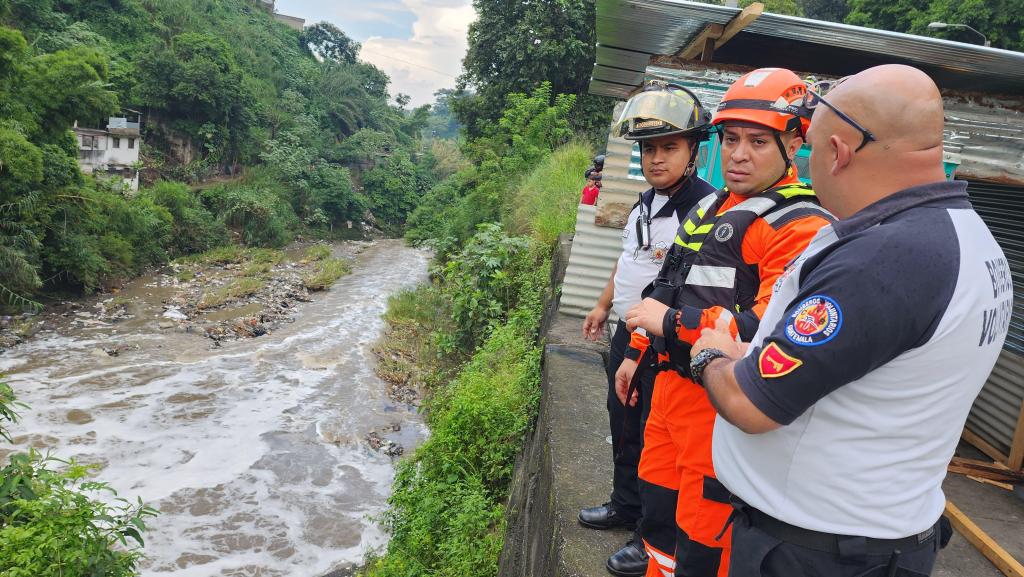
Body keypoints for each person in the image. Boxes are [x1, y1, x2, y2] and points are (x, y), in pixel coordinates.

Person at [689, 64, 1010, 577]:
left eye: (811, 150)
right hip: (872, 532)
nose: (809, 165)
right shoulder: (970, 239)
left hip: (816, 551)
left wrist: (711, 354)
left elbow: (750, 404)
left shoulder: (885, 259)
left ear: (839, 152)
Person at [619, 68, 834, 577]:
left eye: (758, 141)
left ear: (794, 142)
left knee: (703, 538)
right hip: (668, 390)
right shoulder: (714, 205)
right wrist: (636, 352)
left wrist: (674, 323)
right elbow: (668, 284)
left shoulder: (799, 226)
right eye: (731, 138)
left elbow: (769, 327)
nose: (738, 154)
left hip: (716, 404)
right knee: (658, 520)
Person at [578, 82, 717, 577]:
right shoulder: (645, 202)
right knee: (621, 424)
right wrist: (601, 306)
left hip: (662, 345)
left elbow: (682, 289)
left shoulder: (705, 210)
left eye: (669, 148)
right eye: (649, 149)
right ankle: (624, 505)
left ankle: (649, 537)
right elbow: (628, 265)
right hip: (626, 332)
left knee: (653, 438)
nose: (657, 159)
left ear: (694, 150)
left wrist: (644, 347)